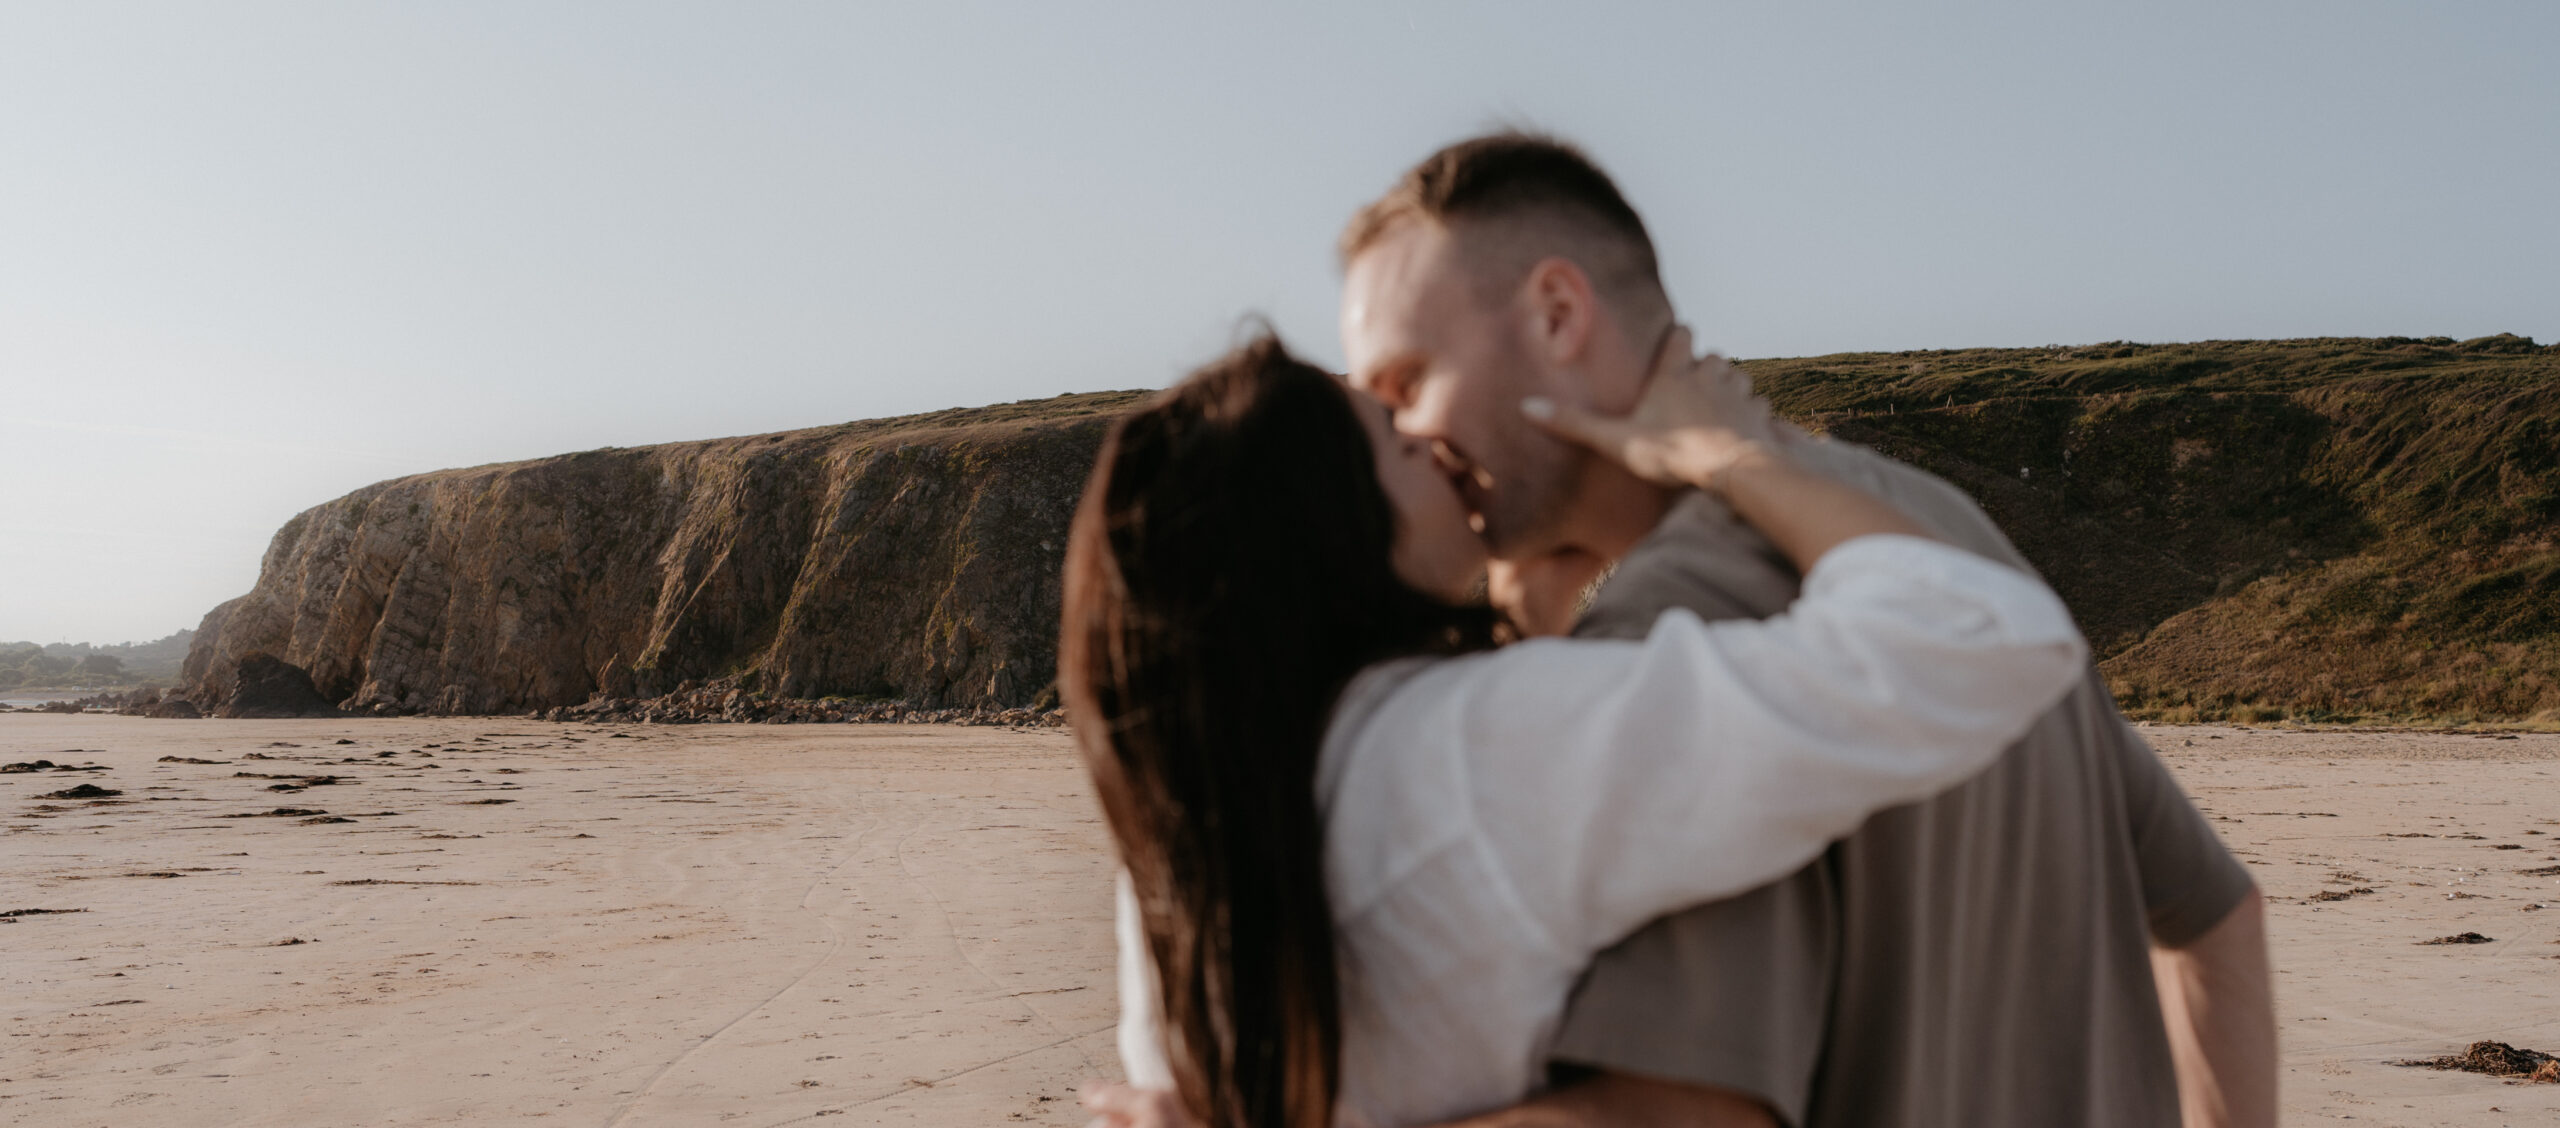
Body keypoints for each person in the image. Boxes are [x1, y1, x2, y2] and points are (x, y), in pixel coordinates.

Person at [1331, 132, 2274, 1128]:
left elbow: (1673, 1114)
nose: (1406, 439)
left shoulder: (1675, 638)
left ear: (1558, 314)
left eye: (1404, 383)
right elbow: (2220, 918)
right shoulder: (1944, 544)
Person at [1067, 328, 2091, 1128]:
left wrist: (1526, 619)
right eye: (1391, 433)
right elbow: (1981, 637)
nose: (1430, 437)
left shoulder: (1183, 829)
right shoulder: (1480, 752)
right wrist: (1727, 454)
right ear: (1330, 525)